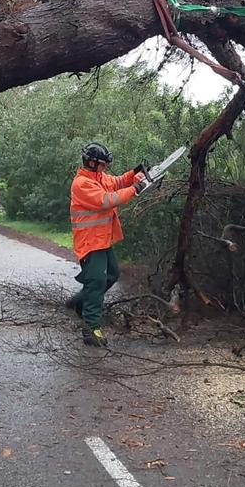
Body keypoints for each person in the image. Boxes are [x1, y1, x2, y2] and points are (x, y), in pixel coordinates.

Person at [67, 142, 154, 346]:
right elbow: (107, 200)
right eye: (102, 164)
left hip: (102, 239)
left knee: (112, 275)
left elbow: (117, 182)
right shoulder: (82, 184)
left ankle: (81, 302)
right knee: (96, 281)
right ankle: (91, 328)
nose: (105, 168)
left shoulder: (98, 177)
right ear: (91, 163)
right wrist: (136, 189)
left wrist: (135, 173)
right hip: (90, 242)